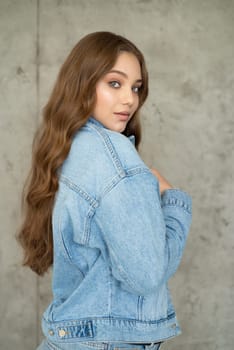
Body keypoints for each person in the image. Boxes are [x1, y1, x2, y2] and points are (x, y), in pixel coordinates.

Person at [17, 32, 192, 350]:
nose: (129, 99)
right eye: (115, 83)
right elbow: (147, 276)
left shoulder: (69, 147)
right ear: (83, 84)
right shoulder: (115, 161)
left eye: (136, 88)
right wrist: (175, 203)